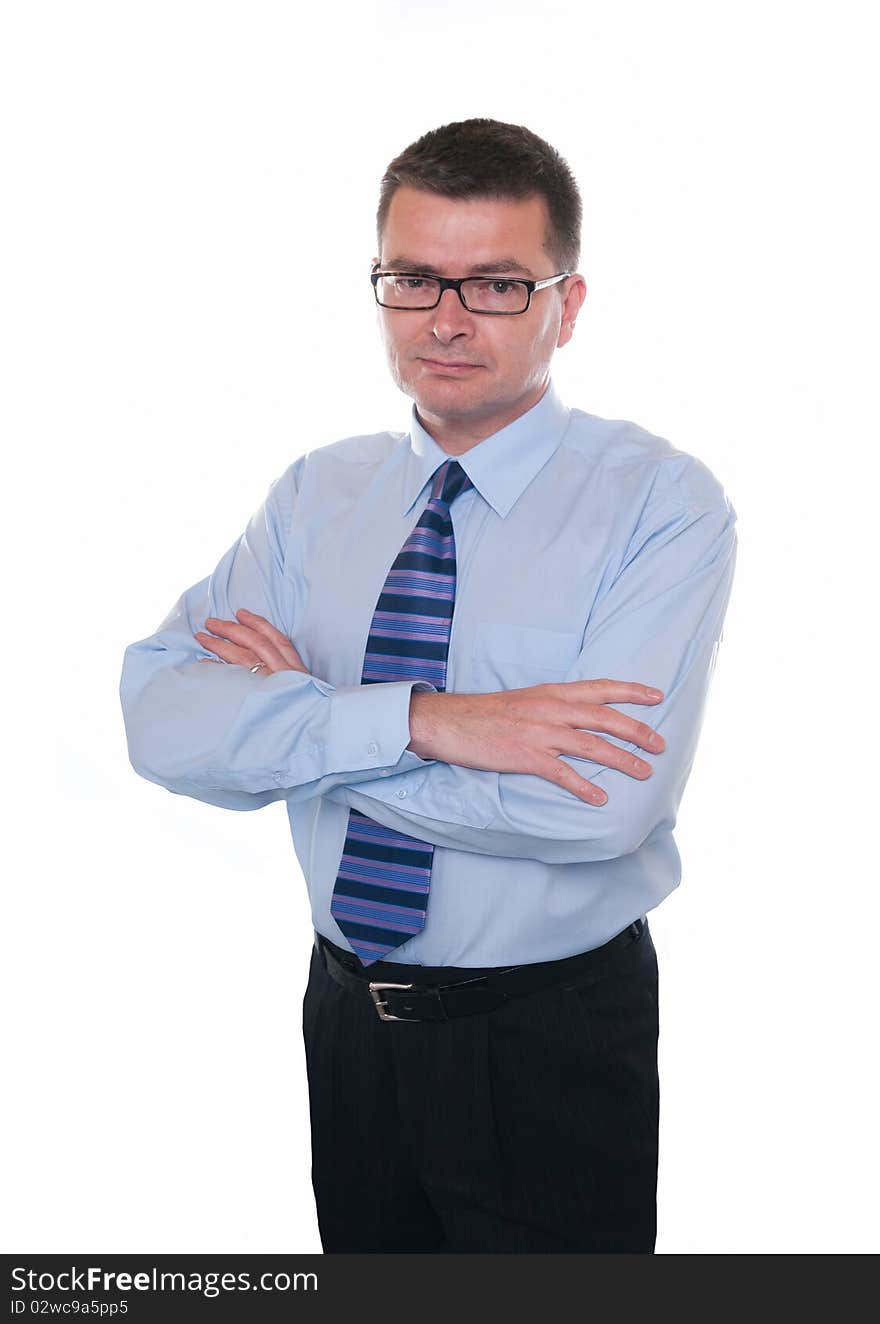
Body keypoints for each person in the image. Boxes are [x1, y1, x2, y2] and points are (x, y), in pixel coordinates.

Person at [119, 117, 737, 1254]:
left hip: (547, 1035)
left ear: (569, 301)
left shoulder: (660, 503)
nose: (445, 319)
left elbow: (598, 809)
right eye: (413, 279)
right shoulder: (315, 497)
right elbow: (160, 719)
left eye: (497, 284)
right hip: (346, 1024)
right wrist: (430, 722)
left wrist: (298, 733)